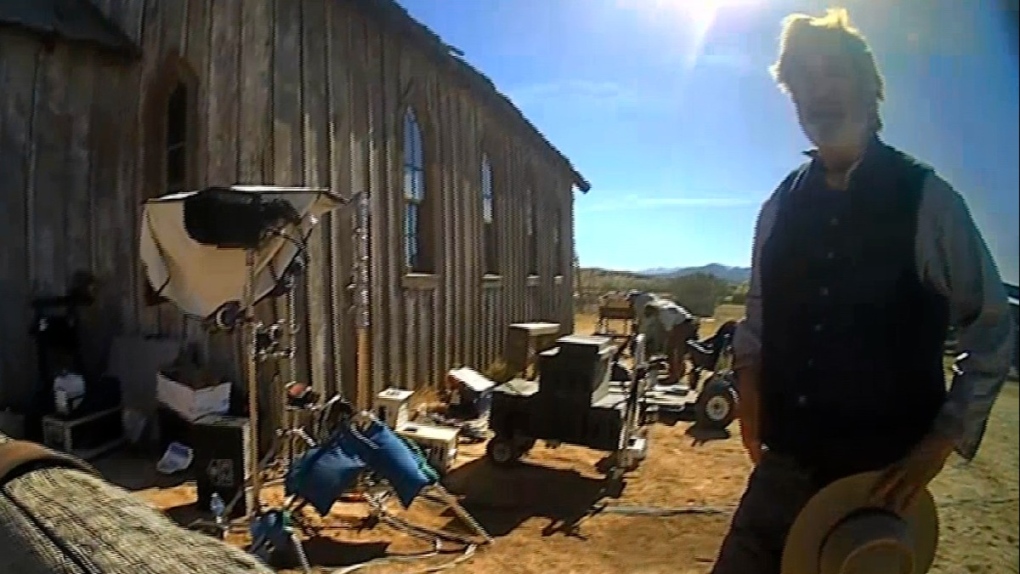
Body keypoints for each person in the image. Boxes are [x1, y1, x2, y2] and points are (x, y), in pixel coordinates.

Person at [712, 9, 1015, 574]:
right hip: (781, 471)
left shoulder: (928, 200)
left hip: (875, 487)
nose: (816, 91)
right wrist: (749, 389)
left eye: (833, 73)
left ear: (869, 86)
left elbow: (993, 324)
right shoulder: (780, 205)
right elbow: (757, 317)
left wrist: (943, 440)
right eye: (801, 78)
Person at [638, 298, 699, 385]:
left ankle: (674, 376)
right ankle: (677, 373)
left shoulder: (664, 315)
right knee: (676, 351)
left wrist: (664, 346)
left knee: (674, 352)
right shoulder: (662, 304)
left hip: (682, 325)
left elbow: (669, 332)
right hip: (686, 322)